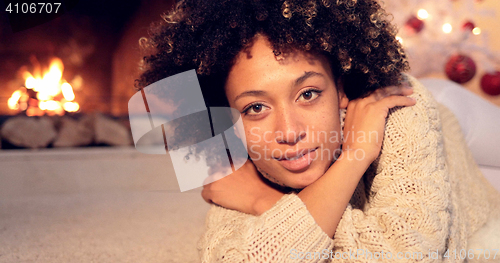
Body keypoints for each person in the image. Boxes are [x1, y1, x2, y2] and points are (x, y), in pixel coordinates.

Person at [135, 0, 500, 262]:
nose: (289, 132)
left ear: (341, 89)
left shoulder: (397, 105)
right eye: (256, 108)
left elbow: (411, 254)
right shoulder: (234, 154)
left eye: (308, 94)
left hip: (448, 117)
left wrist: (265, 201)